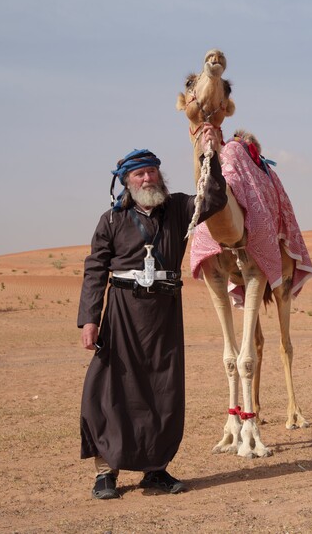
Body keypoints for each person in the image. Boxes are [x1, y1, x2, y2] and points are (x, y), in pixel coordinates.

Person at [77, 125, 227, 500]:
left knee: (164, 389)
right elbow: (95, 270)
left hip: (164, 313)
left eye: (152, 171)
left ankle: (155, 470)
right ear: (126, 181)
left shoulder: (178, 207)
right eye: (139, 173)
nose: (147, 177)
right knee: (107, 388)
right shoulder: (111, 220)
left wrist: (212, 155)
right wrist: (90, 319)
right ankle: (105, 472)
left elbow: (214, 199)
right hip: (123, 314)